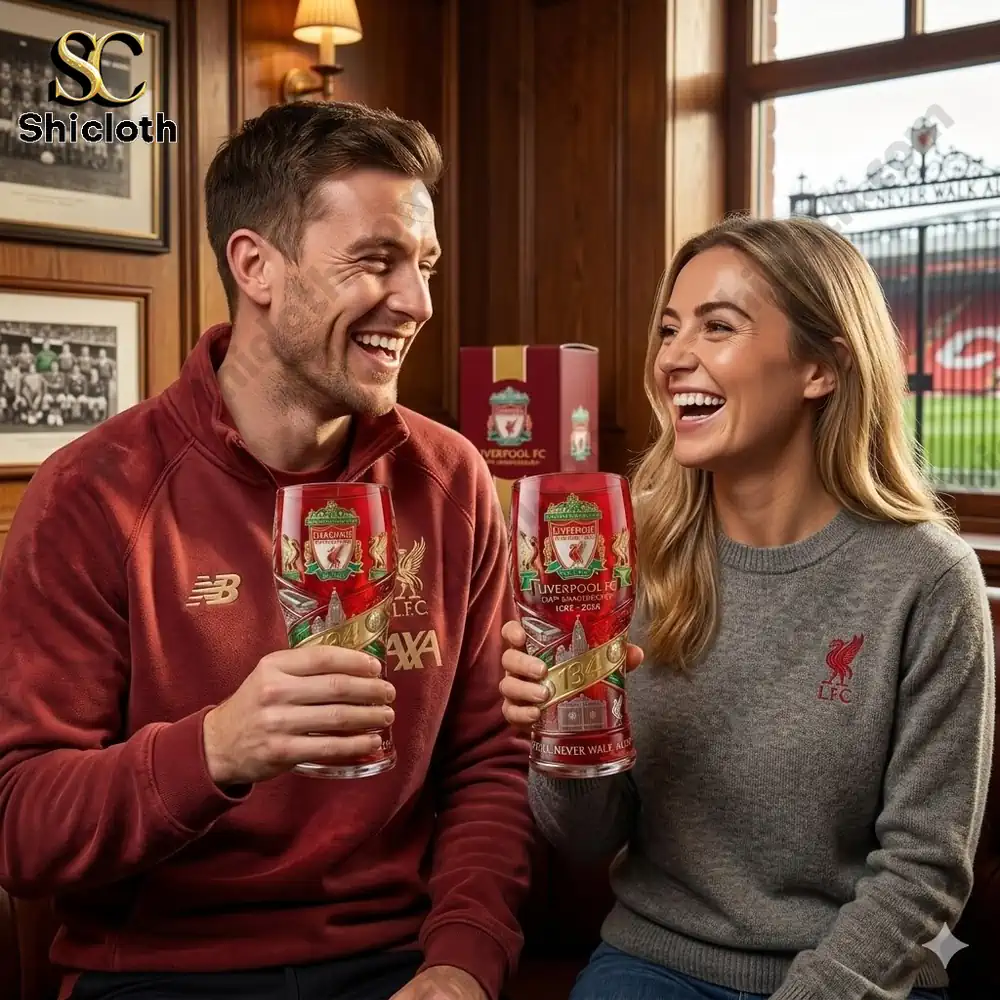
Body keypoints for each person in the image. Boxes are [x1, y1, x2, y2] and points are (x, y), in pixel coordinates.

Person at [0, 101, 534, 1000]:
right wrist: (218, 748)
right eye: (376, 261)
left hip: (398, 964)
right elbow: (21, 827)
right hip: (158, 977)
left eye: (425, 266)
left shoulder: (453, 479)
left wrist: (462, 963)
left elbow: (491, 765)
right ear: (256, 266)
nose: (418, 303)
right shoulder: (91, 492)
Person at [499, 214, 995, 1000]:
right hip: (653, 964)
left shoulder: (928, 579)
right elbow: (587, 839)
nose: (673, 358)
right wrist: (558, 728)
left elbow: (923, 872)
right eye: (668, 330)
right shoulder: (625, 558)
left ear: (821, 368)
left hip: (854, 978)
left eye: (717, 326)